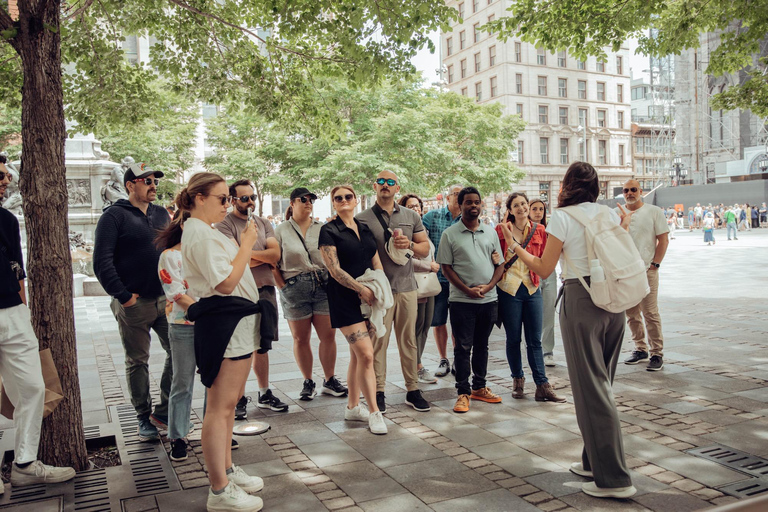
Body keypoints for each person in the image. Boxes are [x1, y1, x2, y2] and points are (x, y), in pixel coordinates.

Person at [508, 162, 636, 499]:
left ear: (567, 184)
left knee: (592, 390)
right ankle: (593, 461)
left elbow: (545, 268)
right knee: (601, 383)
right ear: (595, 186)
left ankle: (614, 479)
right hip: (615, 300)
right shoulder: (608, 213)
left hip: (582, 299)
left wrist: (515, 247)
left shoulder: (563, 217)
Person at [179, 173, 264, 511]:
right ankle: (219, 489)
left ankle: (226, 471)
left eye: (228, 198)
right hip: (224, 321)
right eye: (221, 198)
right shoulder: (198, 233)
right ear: (199, 198)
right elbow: (226, 283)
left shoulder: (207, 231)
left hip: (237, 321)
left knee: (228, 405)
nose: (227, 205)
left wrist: (243, 247)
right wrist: (246, 245)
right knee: (219, 407)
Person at [0, 167, 76, 492]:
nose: (6, 180)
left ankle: (25, 463)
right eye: (0, 175)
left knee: (32, 388)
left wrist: (23, 311)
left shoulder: (6, 220)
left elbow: (18, 271)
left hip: (13, 314)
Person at [93, 162, 172, 441]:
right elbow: (101, 262)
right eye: (146, 181)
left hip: (165, 300)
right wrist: (123, 296)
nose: (153, 186)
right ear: (130, 185)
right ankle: (142, 416)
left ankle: (162, 412)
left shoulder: (162, 213)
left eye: (154, 181)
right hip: (133, 304)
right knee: (137, 361)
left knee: (180, 351)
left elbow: (174, 251)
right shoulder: (114, 216)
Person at [356, 171, 431, 413]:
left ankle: (412, 389)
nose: (385, 185)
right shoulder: (362, 219)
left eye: (390, 182)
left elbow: (424, 249)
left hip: (407, 288)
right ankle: (378, 391)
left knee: (408, 341)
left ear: (397, 187)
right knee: (378, 342)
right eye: (381, 181)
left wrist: (408, 244)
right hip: (379, 292)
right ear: (374, 186)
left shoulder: (411, 215)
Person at [216, 179, 288, 417]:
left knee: (263, 344)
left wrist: (248, 254)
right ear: (232, 200)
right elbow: (234, 261)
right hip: (240, 292)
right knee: (242, 346)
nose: (250, 202)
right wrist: (259, 257)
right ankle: (238, 399)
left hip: (265, 288)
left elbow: (275, 254)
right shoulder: (224, 226)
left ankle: (264, 392)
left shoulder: (264, 222)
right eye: (244, 198)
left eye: (253, 197)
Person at [319, 185, 387, 435]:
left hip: (369, 298)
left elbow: (375, 260)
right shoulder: (328, 230)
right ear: (333, 204)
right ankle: (374, 413)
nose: (344, 200)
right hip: (344, 299)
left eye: (348, 196)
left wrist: (379, 290)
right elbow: (334, 270)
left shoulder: (365, 228)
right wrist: (361, 289)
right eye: (338, 198)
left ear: (356, 200)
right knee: (367, 355)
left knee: (358, 355)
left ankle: (352, 407)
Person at [436, 187, 506, 414]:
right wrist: (467, 289)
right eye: (468, 202)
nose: (473, 206)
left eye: (477, 202)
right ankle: (462, 392)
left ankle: (480, 387)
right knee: (463, 347)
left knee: (482, 346)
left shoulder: (490, 232)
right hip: (461, 302)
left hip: (489, 300)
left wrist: (488, 287)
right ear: (460, 204)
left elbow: (500, 265)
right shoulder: (450, 234)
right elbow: (446, 269)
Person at [275, 187, 347, 401]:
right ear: (292, 203)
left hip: (323, 286)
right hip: (295, 287)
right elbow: (273, 262)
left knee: (328, 336)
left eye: (311, 200)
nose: (308, 203)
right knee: (300, 338)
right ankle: (308, 380)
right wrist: (282, 285)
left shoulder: (323, 228)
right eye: (303, 199)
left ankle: (330, 379)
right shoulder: (281, 230)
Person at [496, 194, 565, 402]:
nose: (521, 208)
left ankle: (542, 384)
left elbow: (545, 258)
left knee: (535, 340)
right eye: (516, 205)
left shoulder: (540, 230)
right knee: (513, 339)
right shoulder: (501, 230)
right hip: (508, 289)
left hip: (532, 288)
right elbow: (496, 257)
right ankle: (517, 380)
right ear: (509, 209)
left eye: (524, 204)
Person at [156, 210, 198, 461]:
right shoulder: (170, 255)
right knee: (182, 382)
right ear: (182, 224)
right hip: (183, 325)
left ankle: (217, 432)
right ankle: (178, 435)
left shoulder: (207, 252)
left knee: (216, 382)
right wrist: (203, 311)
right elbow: (176, 292)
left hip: (213, 324)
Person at [617, 180, 669, 372]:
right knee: (631, 313)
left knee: (650, 312)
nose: (629, 193)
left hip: (647, 269)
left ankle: (657, 352)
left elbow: (663, 239)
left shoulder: (654, 211)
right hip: (627, 271)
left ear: (640, 191)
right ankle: (640, 349)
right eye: (626, 190)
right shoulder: (618, 214)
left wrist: (655, 263)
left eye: (633, 190)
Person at [421, 184, 464, 377]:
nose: (458, 198)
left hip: (459, 281)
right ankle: (443, 359)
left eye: (461, 195)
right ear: (447, 198)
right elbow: (422, 242)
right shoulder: (432, 217)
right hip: (437, 279)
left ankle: (458, 359)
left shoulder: (468, 220)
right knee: (438, 322)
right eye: (455, 194)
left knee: (458, 322)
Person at [399, 194, 439, 384]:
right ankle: (415, 367)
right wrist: (428, 266)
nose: (415, 209)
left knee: (425, 326)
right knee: (415, 328)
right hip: (412, 284)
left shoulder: (422, 230)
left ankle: (417, 364)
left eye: (417, 206)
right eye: (410, 206)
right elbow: (403, 257)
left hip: (428, 284)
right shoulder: (403, 231)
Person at [528, 199, 557, 366]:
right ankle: (533, 347)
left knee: (548, 313)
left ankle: (548, 351)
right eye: (534, 209)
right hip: (531, 273)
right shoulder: (524, 230)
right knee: (532, 314)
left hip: (549, 274)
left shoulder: (550, 230)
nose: (538, 212)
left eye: (541, 209)